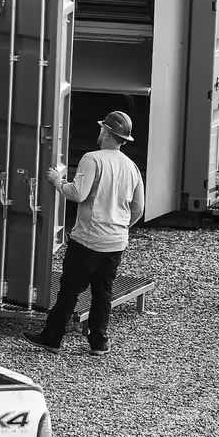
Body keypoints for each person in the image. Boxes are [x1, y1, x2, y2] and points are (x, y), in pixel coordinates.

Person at [25, 110, 145, 355]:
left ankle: (53, 337)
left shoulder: (93, 159)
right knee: (103, 292)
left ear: (107, 133)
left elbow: (78, 193)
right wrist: (121, 227)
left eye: (102, 129)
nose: (99, 132)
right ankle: (98, 342)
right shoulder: (132, 167)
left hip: (88, 240)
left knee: (70, 289)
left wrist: (57, 181)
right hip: (115, 243)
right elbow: (138, 209)